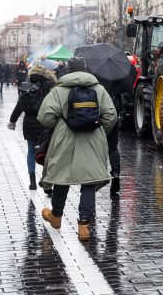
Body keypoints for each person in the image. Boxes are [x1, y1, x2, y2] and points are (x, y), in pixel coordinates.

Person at [38, 57, 117, 241]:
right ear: (86, 69)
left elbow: (45, 117)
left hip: (64, 140)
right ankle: (84, 227)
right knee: (88, 182)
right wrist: (98, 132)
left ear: (68, 70)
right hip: (93, 139)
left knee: (61, 177)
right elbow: (111, 115)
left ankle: (56, 217)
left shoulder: (59, 90)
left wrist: (59, 125)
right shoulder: (98, 89)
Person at [8, 64, 57, 191]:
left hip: (29, 123)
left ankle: (32, 182)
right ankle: (46, 182)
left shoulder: (26, 86)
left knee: (31, 151)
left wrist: (12, 120)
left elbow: (20, 105)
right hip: (45, 123)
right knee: (47, 152)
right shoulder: (50, 85)